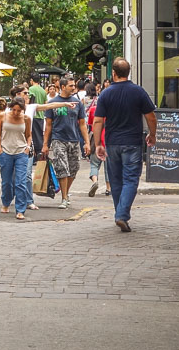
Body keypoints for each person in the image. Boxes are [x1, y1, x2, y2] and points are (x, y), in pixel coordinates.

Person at [92, 58, 157, 232]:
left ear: (113, 73)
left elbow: (98, 120)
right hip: (132, 143)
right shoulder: (138, 92)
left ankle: (120, 213)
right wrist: (153, 134)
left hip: (112, 143)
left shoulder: (105, 93)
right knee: (130, 179)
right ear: (129, 72)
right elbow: (151, 116)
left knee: (115, 180)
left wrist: (98, 143)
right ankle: (121, 215)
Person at [42, 75, 91, 210]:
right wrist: (45, 144)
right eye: (71, 86)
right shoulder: (53, 103)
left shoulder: (77, 103)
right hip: (58, 139)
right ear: (63, 87)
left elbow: (82, 124)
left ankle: (66, 192)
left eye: (74, 86)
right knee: (62, 168)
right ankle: (64, 198)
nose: (74, 88)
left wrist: (86, 142)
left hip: (74, 140)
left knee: (73, 169)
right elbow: (48, 125)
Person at [0, 97, 33, 220]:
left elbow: (28, 135)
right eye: (14, 110)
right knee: (6, 182)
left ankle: (20, 209)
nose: (16, 113)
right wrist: (0, 149)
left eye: (19, 110)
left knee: (20, 182)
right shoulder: (3, 116)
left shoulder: (26, 119)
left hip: (21, 152)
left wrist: (27, 147)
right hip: (6, 151)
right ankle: (6, 202)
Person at [84, 87, 108, 197]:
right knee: (109, 167)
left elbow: (90, 125)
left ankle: (95, 181)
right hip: (108, 140)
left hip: (96, 140)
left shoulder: (94, 109)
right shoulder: (111, 111)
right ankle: (108, 188)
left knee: (94, 164)